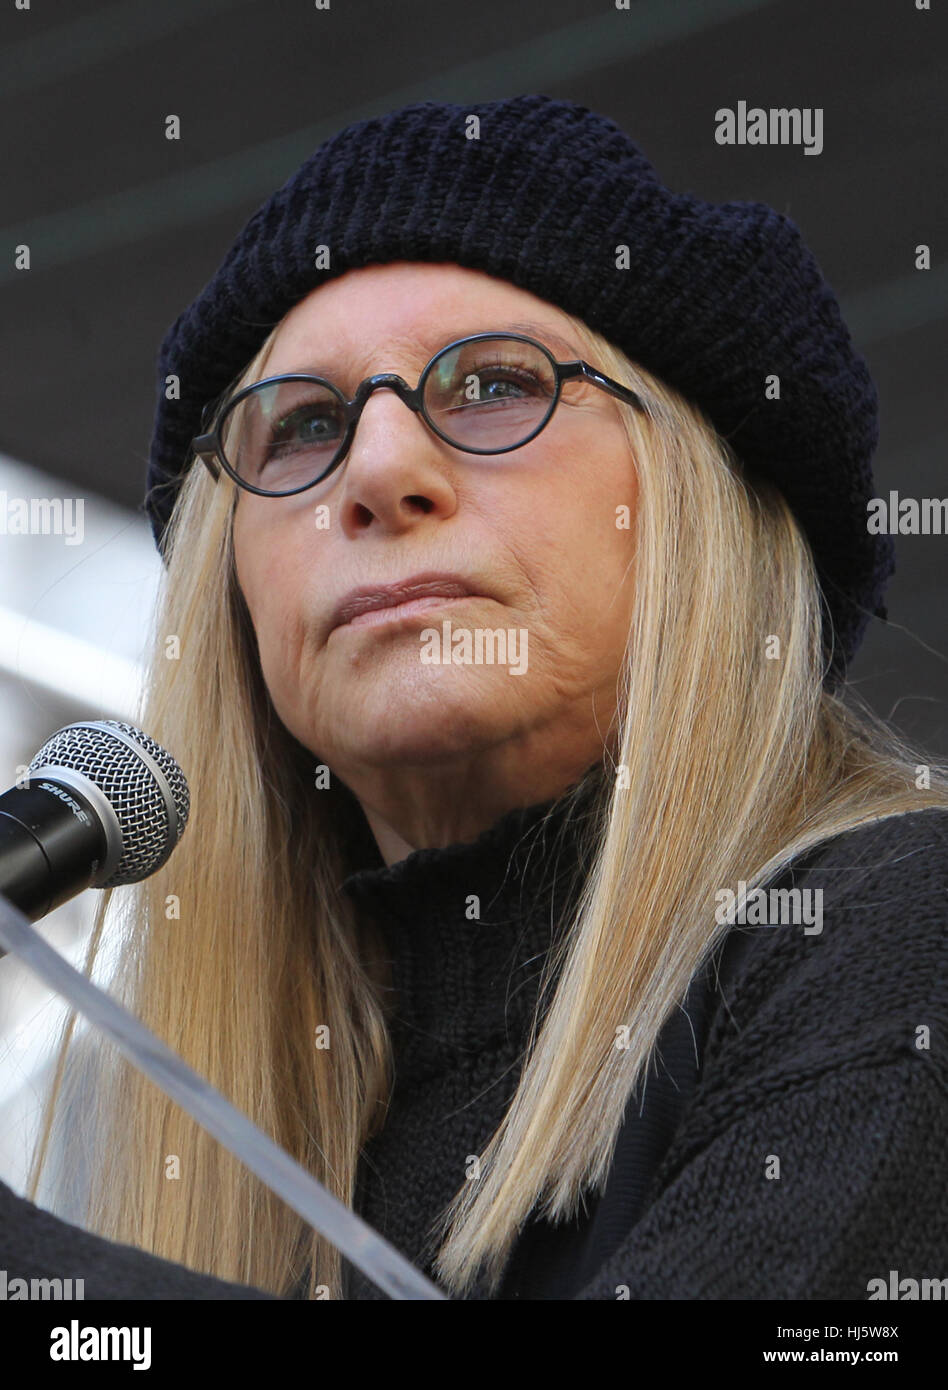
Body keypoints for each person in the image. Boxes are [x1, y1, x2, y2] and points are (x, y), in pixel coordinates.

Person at [23, 93, 948, 1302]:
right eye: (302, 425)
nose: (380, 469)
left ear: (695, 518)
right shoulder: (157, 1131)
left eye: (495, 386)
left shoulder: (894, 937)